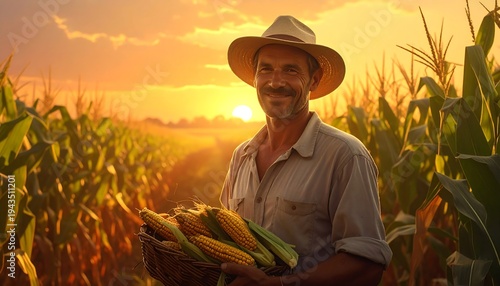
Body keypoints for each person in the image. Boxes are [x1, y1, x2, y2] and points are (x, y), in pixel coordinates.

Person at [219, 15, 392, 286]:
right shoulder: (241, 157)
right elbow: (223, 241)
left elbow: (368, 264)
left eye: (290, 70)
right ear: (254, 78)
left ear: (314, 80)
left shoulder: (345, 156)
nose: (275, 82)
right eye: (265, 69)